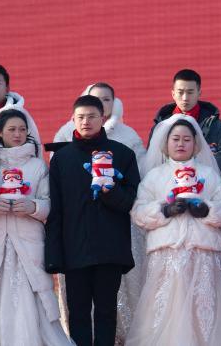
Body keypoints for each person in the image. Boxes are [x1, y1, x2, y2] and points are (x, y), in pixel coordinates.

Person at [126, 114, 221, 346]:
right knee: (167, 312)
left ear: (196, 144)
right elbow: (138, 212)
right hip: (167, 255)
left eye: (187, 139)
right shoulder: (154, 176)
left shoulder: (209, 175)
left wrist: (206, 210)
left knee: (205, 311)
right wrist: (165, 210)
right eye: (176, 139)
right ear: (166, 143)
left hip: (205, 255)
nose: (181, 144)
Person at [0, 107, 71, 346]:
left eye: (22, 129)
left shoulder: (38, 166)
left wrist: (33, 207)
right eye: (12, 129)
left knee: (31, 292)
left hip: (28, 241)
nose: (17, 134)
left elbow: (50, 204)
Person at [53, 82, 146, 341]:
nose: (86, 122)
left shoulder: (123, 154)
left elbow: (131, 201)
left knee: (106, 311)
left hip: (110, 247)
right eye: (81, 117)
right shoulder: (62, 158)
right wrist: (54, 252)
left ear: (103, 118)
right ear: (73, 120)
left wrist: (110, 191)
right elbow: (56, 209)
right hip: (74, 247)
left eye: (92, 116)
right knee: (78, 312)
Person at [150, 69, 221, 175]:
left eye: (190, 92)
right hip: (166, 183)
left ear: (199, 93)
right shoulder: (160, 126)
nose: (185, 98)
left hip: (205, 183)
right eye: (180, 92)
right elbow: (152, 162)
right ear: (173, 94)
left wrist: (193, 174)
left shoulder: (216, 126)